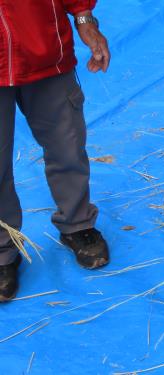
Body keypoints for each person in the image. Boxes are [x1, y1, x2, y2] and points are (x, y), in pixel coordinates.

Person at [0, 0, 111, 302]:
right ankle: (2, 251)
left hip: (45, 50)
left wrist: (85, 17)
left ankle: (78, 224)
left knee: (68, 146)